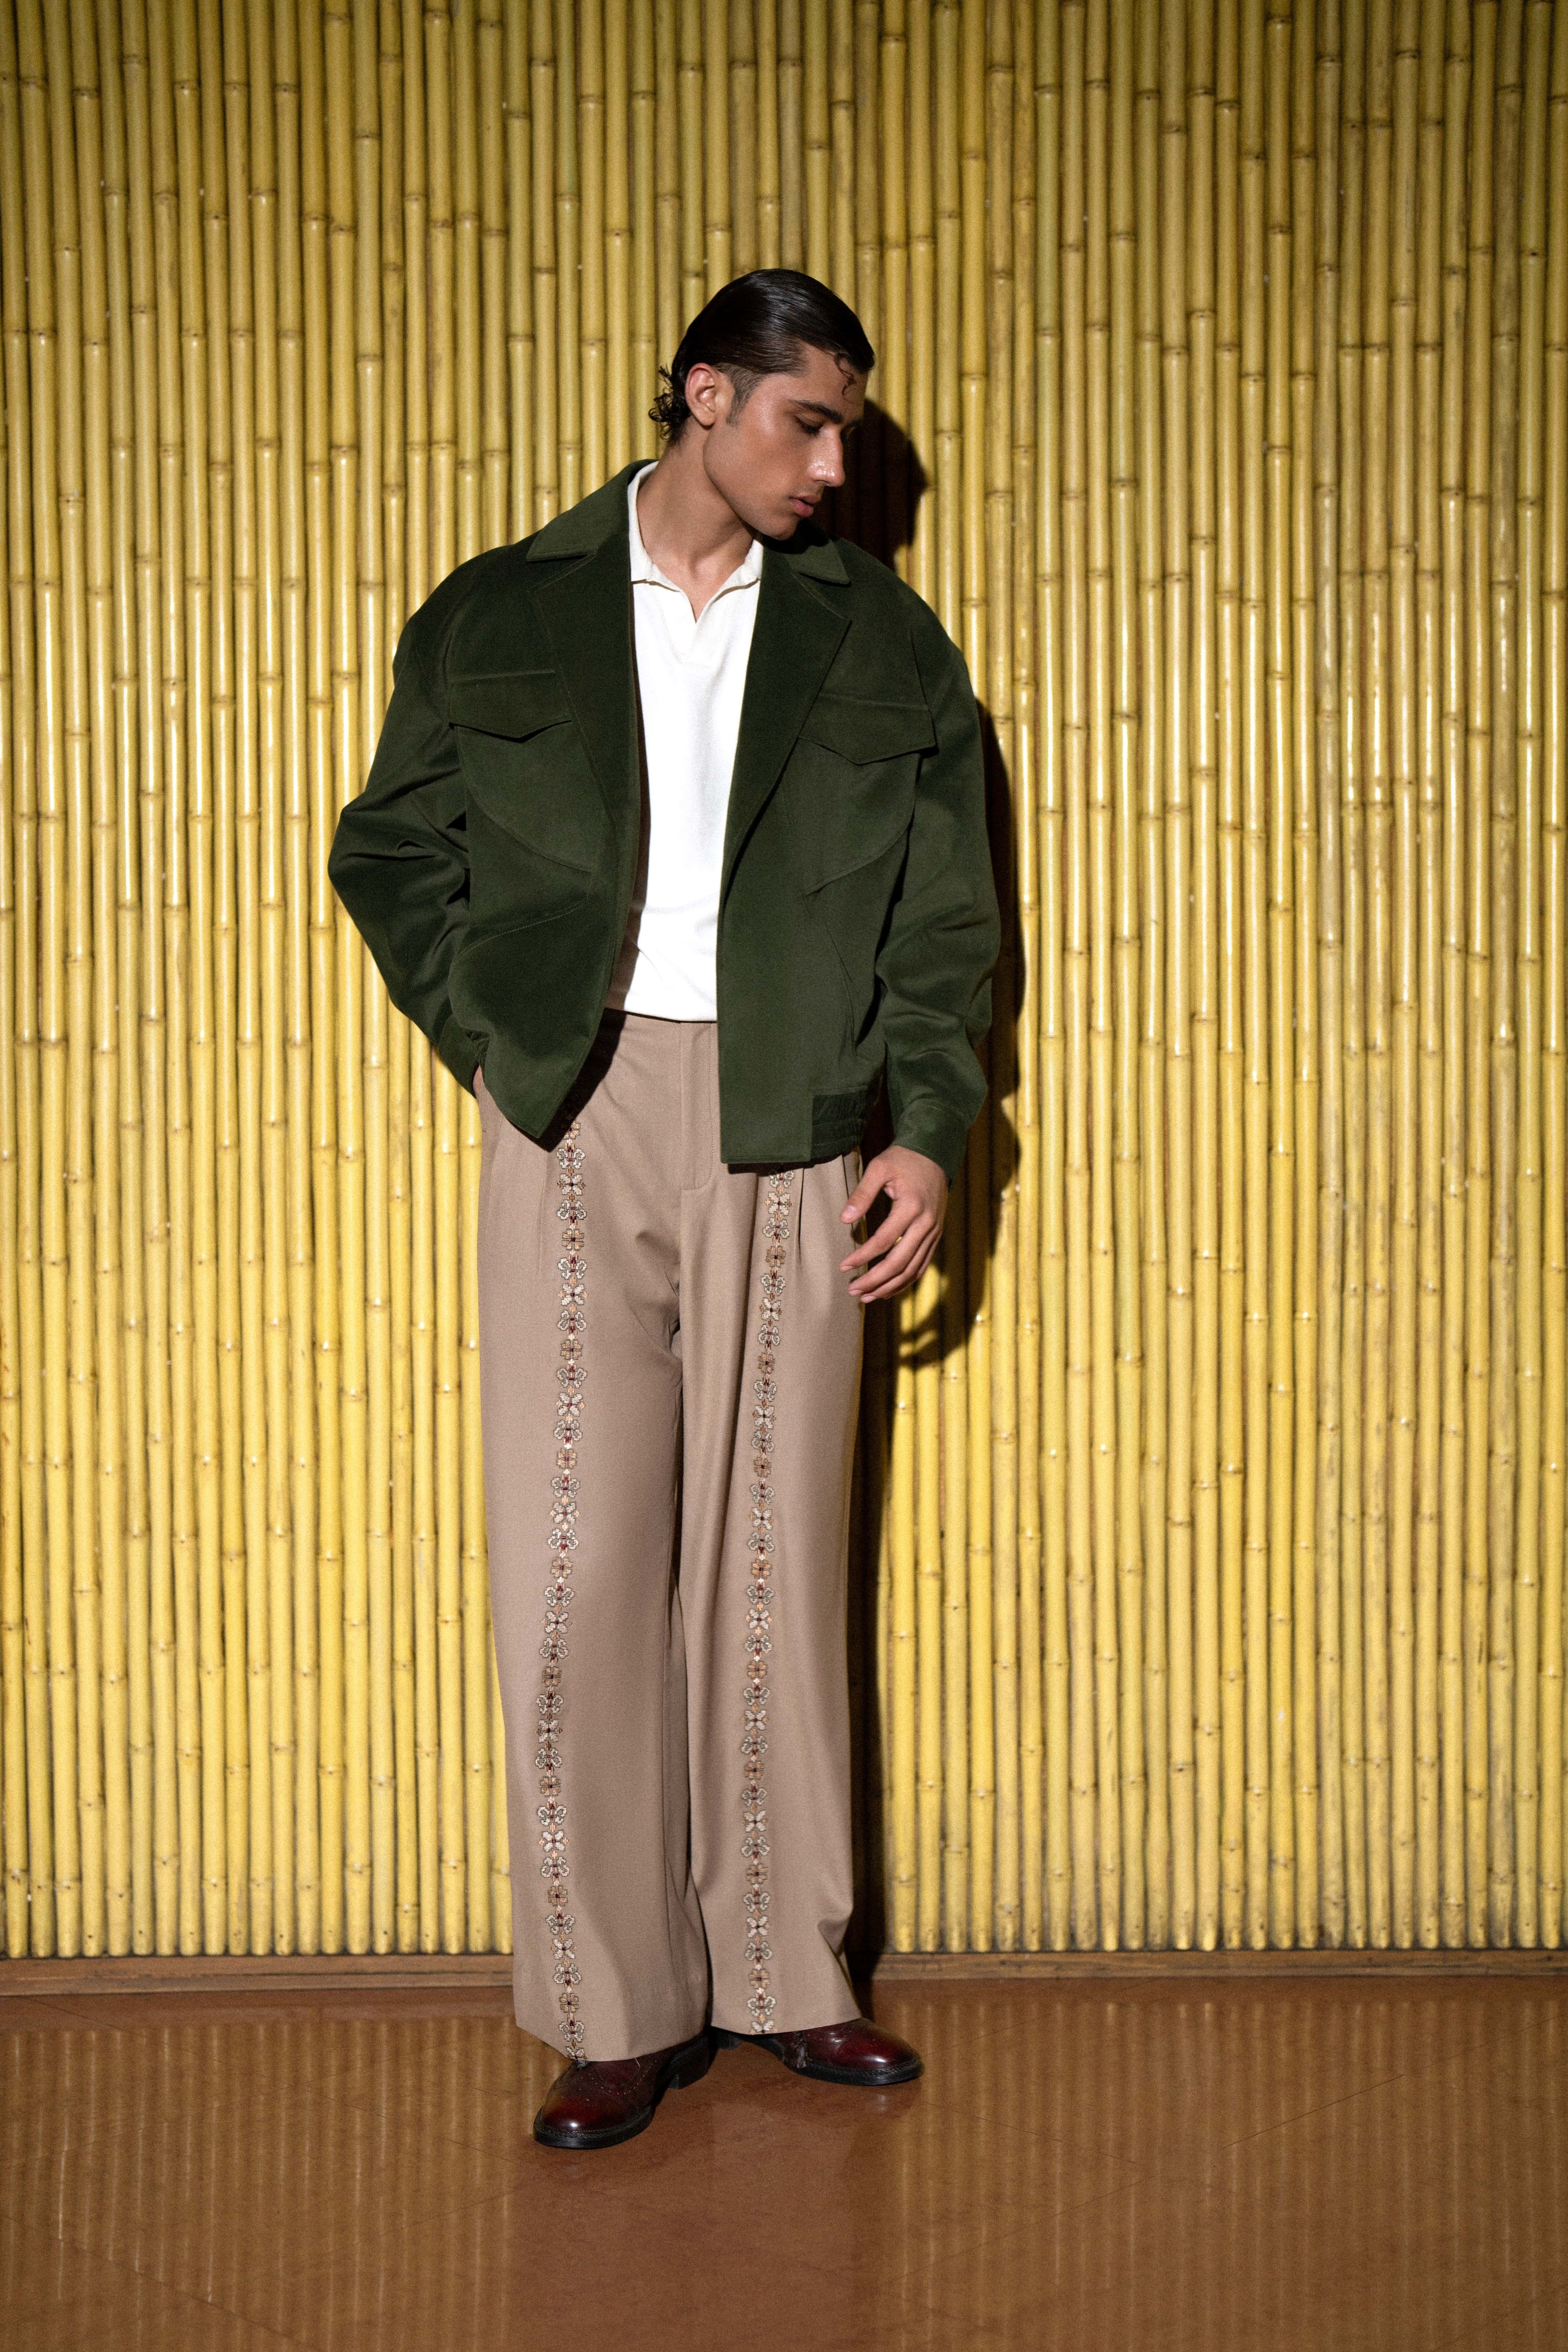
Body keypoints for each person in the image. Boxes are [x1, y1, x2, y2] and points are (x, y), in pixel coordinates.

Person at [330, 270, 998, 2150]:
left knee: (777, 1558)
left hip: (800, 1116)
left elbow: (946, 920)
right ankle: (611, 2005)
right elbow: (390, 850)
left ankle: (790, 1974)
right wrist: (498, 1040)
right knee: (577, 1563)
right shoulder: (504, 610)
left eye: (846, 428)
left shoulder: (883, 641)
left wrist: (929, 1131)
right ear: (706, 394)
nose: (833, 463)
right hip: (578, 1105)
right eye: (806, 420)